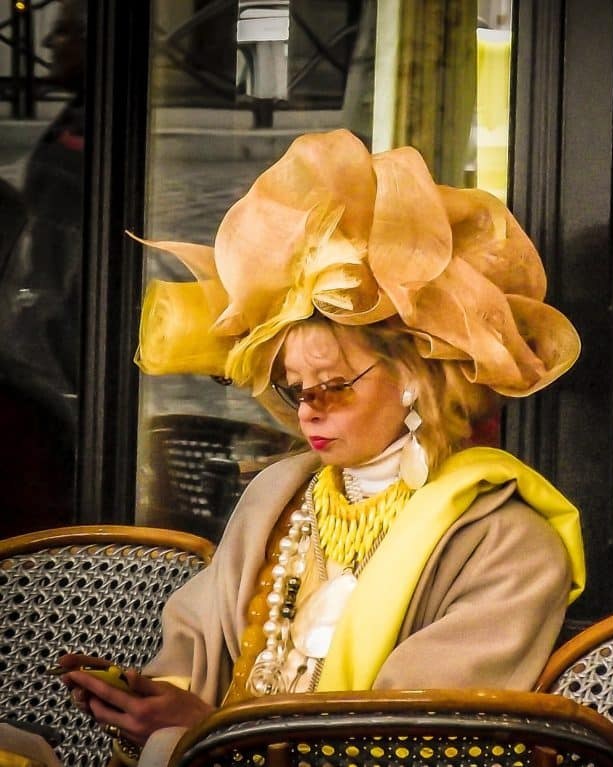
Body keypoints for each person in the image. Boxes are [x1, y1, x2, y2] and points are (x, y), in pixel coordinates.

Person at [52, 129, 584, 766]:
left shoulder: (508, 547)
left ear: (417, 377)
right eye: (294, 387)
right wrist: (151, 703)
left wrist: (212, 733)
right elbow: (192, 651)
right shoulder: (276, 496)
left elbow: (418, 737)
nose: (308, 410)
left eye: (335, 386)